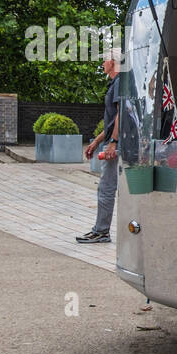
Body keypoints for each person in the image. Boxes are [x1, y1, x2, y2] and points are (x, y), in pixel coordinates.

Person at [76, 54, 121, 244]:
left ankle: (102, 231)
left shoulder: (120, 82)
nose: (102, 63)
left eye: (104, 60)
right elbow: (111, 122)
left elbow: (121, 114)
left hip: (118, 144)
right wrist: (96, 142)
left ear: (113, 62)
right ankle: (101, 230)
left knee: (107, 188)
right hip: (113, 140)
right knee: (106, 187)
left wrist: (114, 142)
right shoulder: (116, 83)